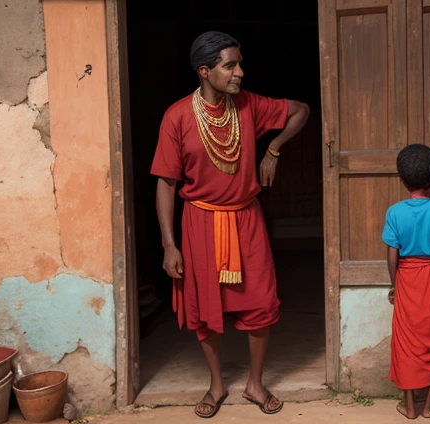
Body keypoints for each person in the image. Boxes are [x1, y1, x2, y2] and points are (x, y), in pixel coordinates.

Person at [151, 31, 309, 419]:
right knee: (206, 310)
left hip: (246, 219)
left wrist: (273, 149)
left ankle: (255, 384)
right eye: (230, 65)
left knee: (261, 302)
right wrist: (169, 245)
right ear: (205, 71)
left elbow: (301, 109)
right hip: (200, 223)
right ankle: (216, 386)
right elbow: (166, 184)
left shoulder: (248, 105)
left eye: (239, 63)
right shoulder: (177, 116)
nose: (240, 71)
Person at [382, 144, 430, 419]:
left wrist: (395, 285)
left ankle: (409, 406)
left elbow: (393, 254)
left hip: (407, 277)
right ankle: (429, 406)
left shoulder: (394, 212)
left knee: (406, 342)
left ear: (402, 181)